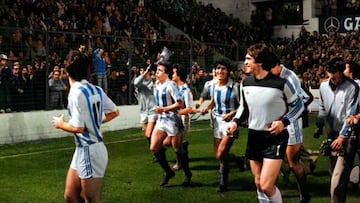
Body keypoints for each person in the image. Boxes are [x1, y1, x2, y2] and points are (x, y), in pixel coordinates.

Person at [226, 43, 304, 202]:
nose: (245, 62)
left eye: (248, 59)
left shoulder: (281, 83)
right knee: (258, 183)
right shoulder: (245, 83)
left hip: (274, 138)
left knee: (267, 185)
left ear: (259, 62)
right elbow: (244, 107)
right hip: (254, 137)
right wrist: (235, 122)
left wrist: (284, 122)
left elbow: (299, 106)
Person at [52, 49, 120, 202]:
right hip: (83, 149)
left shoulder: (75, 93)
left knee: (90, 198)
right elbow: (114, 112)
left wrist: (61, 124)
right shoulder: (96, 89)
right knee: (70, 196)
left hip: (90, 150)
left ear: (68, 69)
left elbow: (78, 128)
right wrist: (94, 122)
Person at [314, 57, 359, 203]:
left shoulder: (352, 87)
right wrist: (319, 125)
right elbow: (322, 107)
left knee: (338, 177)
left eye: (335, 72)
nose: (331, 76)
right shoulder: (323, 86)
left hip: (347, 136)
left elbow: (350, 113)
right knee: (334, 174)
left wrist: (342, 136)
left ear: (341, 72)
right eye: (329, 72)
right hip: (331, 134)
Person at [270, 54, 311, 203]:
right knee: (272, 158)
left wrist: (288, 113)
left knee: (293, 161)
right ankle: (270, 191)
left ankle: (304, 194)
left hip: (292, 123)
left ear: (278, 65)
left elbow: (303, 100)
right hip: (276, 122)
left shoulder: (290, 78)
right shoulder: (270, 76)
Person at [150, 50, 192, 187]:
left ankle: (187, 173)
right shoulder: (157, 84)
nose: (157, 72)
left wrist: (164, 109)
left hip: (172, 120)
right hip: (161, 120)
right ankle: (168, 172)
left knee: (177, 149)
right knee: (154, 147)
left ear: (166, 73)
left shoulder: (171, 85)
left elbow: (179, 103)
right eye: (157, 70)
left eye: (160, 70)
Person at [200, 59, 240, 192]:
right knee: (219, 154)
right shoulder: (212, 85)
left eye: (223, 68)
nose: (220, 71)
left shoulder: (235, 87)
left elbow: (243, 107)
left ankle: (223, 182)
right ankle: (238, 161)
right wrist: (206, 108)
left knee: (221, 153)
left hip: (230, 123)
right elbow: (213, 101)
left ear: (228, 71)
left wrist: (232, 114)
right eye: (217, 68)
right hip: (216, 121)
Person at [170, 63, 194, 170]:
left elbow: (189, 109)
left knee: (176, 143)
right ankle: (183, 149)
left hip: (183, 120)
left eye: (174, 73)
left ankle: (179, 164)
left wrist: (178, 112)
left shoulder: (185, 90)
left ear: (179, 75)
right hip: (174, 119)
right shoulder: (173, 88)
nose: (172, 74)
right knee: (171, 142)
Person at [133, 64, 157, 161]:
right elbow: (135, 83)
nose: (143, 73)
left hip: (153, 111)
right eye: (141, 72)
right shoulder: (139, 84)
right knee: (148, 135)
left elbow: (149, 88)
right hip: (143, 111)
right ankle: (158, 150)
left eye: (145, 71)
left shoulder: (153, 83)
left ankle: (157, 150)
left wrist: (147, 74)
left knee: (149, 133)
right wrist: (143, 74)